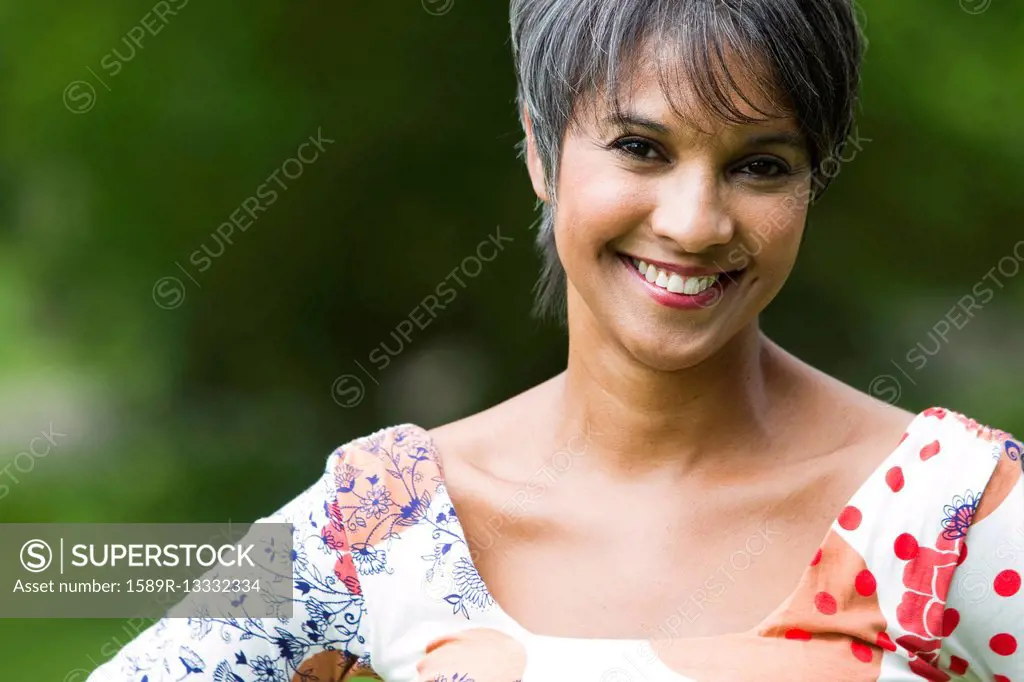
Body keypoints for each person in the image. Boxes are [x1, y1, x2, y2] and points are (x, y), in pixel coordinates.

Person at [88, 0, 1023, 680]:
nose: (695, 223)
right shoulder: (384, 517)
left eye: (760, 165)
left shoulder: (948, 509)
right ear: (540, 150)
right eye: (641, 149)